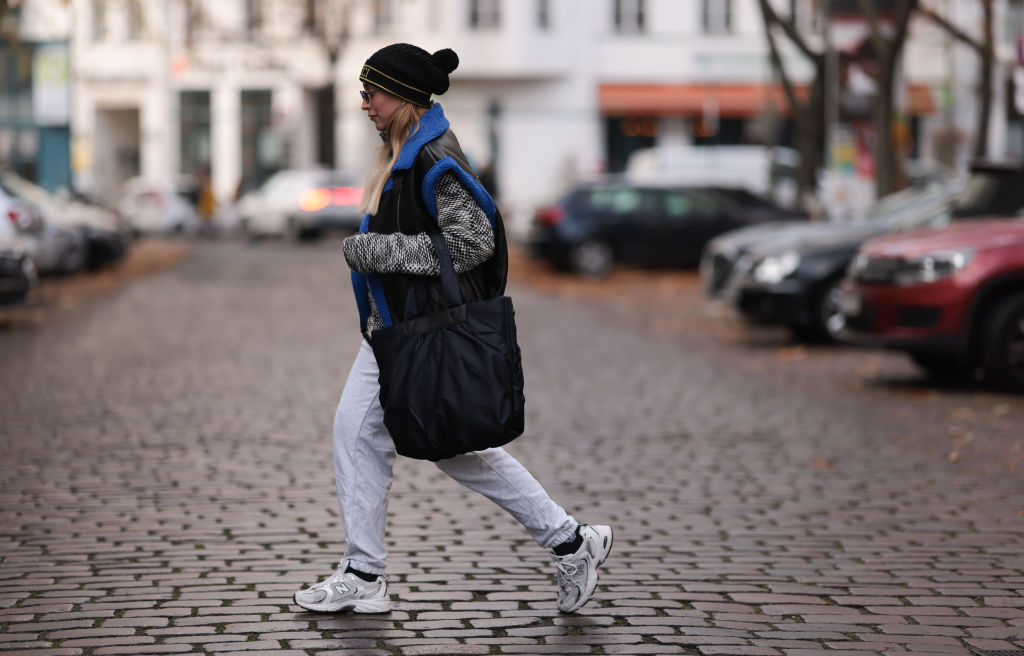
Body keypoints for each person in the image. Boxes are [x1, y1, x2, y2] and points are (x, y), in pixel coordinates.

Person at [293, 43, 612, 615]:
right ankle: (567, 541)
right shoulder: (405, 154)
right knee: (388, 438)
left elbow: (472, 243)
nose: (364, 103)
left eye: (373, 92)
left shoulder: (435, 159)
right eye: (362, 92)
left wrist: (374, 251)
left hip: (423, 332)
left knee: (431, 444)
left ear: (405, 97)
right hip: (399, 332)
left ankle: (566, 541)